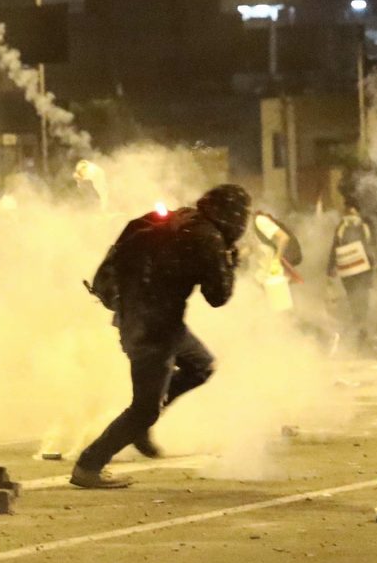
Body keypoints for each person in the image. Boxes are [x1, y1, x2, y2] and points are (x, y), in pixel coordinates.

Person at [71, 184, 250, 489]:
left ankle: (142, 426)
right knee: (144, 409)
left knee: (201, 365)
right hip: (155, 329)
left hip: (140, 317)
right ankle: (89, 465)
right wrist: (232, 260)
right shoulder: (208, 237)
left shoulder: (181, 218)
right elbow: (218, 296)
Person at [329, 197, 377, 351]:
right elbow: (335, 246)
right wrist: (331, 268)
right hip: (348, 270)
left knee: (363, 297)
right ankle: (359, 327)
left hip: (364, 269)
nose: (349, 212)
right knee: (353, 298)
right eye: (347, 209)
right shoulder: (342, 226)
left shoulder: (366, 225)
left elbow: (374, 244)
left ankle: (362, 328)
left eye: (351, 209)